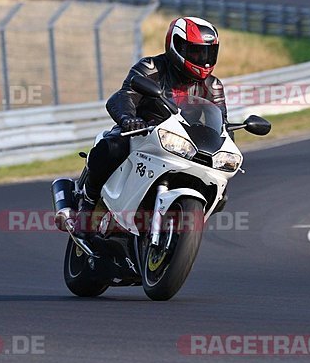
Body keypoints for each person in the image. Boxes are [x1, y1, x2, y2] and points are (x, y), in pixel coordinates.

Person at [55, 16, 228, 232]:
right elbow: (125, 95)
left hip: (181, 144)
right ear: (176, 45)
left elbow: (221, 124)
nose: (202, 59)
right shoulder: (151, 67)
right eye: (195, 52)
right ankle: (87, 205)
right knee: (112, 147)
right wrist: (128, 118)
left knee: (220, 188)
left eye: (207, 53)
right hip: (142, 132)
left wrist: (223, 145)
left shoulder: (213, 86)